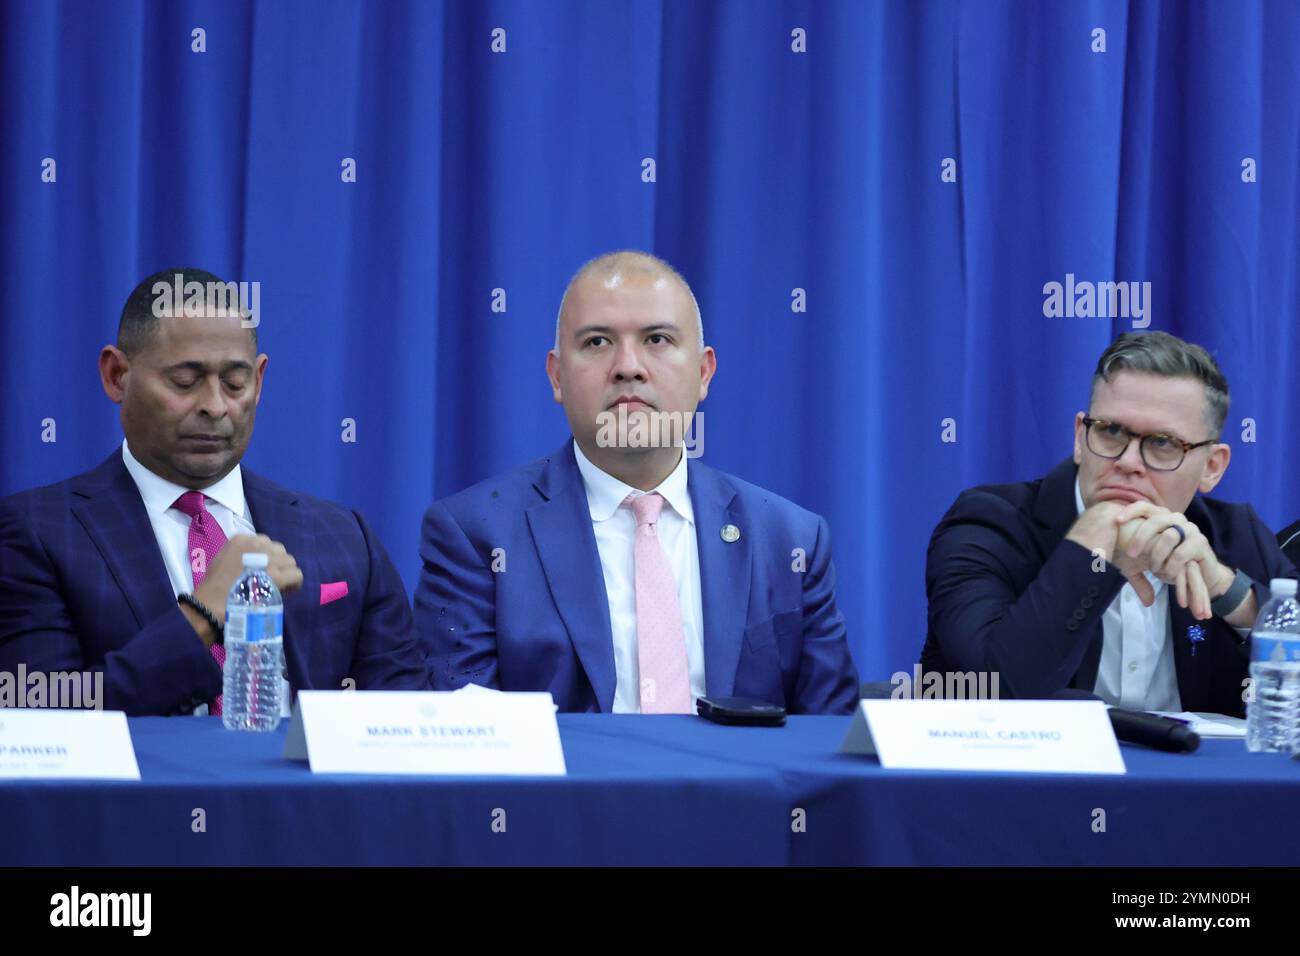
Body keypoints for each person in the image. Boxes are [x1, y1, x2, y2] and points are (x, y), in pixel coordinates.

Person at [416, 251, 858, 714]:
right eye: (597, 343)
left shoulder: (790, 540)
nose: (628, 366)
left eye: (658, 339)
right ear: (556, 376)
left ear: (704, 372)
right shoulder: (475, 536)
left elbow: (827, 740)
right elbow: (471, 747)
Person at [0, 268, 427, 716]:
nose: (215, 406)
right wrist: (203, 616)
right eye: (184, 381)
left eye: (235, 383)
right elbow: (39, 710)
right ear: (117, 375)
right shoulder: (36, 533)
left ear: (259, 382)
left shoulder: (344, 536)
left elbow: (401, 726)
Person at [922, 331, 1295, 716]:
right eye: (1112, 432)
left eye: (1163, 443)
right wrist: (1087, 551)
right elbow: (996, 690)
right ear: (1081, 438)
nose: (1129, 462)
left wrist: (1229, 593)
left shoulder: (1236, 538)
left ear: (1212, 467)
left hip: (1189, 777)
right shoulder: (990, 523)